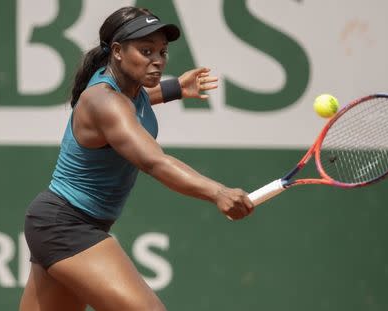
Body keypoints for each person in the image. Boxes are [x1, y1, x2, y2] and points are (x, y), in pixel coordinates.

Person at [19, 6, 254, 311]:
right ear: (117, 51)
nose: (157, 60)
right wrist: (217, 192)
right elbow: (153, 162)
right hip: (66, 226)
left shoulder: (127, 89)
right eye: (146, 51)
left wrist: (177, 88)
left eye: (162, 52)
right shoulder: (105, 102)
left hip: (60, 224)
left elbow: (141, 99)